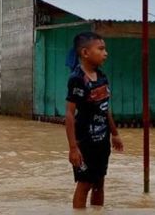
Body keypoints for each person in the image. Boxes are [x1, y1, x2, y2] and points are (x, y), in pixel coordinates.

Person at [65, 32, 124, 209]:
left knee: (99, 182)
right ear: (85, 53)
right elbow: (69, 114)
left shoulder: (102, 77)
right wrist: (73, 148)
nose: (105, 53)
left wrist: (115, 133)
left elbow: (105, 108)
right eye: (100, 49)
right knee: (84, 185)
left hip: (102, 142)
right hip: (84, 143)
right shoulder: (77, 79)